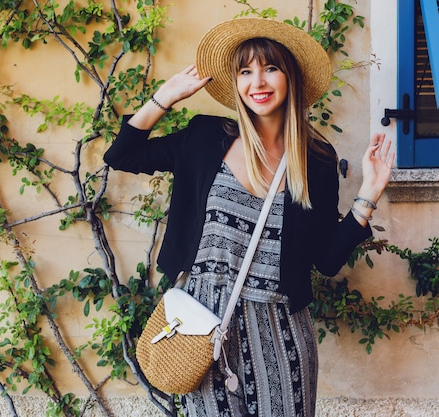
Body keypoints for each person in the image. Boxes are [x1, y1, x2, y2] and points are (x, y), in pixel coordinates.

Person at [104, 18, 394, 417]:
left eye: (270, 68)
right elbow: (123, 156)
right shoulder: (204, 138)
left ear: (289, 77)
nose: (257, 81)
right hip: (201, 326)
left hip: (280, 330)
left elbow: (326, 260)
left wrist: (369, 193)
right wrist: (163, 97)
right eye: (246, 71)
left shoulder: (317, 162)